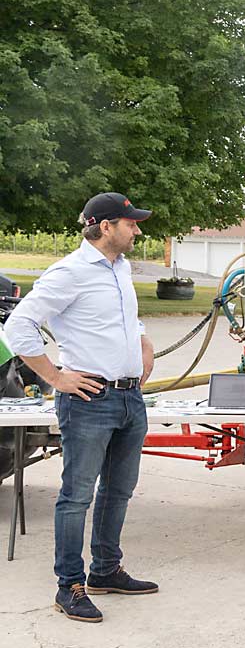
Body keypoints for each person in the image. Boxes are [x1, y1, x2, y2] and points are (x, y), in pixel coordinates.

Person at [5, 192, 159, 622]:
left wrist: (143, 341)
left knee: (119, 491)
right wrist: (54, 377)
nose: (138, 229)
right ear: (105, 226)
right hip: (90, 402)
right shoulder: (68, 273)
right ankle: (69, 586)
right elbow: (19, 325)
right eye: (131, 223)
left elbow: (125, 316)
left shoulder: (121, 268)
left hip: (129, 398)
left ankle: (106, 571)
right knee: (76, 498)